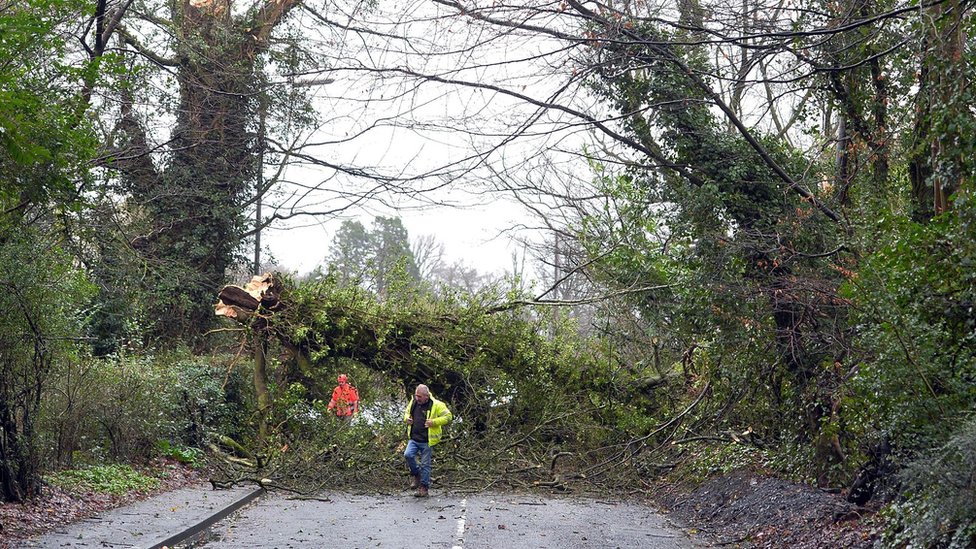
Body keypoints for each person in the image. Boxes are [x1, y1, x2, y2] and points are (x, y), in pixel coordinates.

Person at [403, 384, 452, 497]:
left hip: (427, 440)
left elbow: (448, 417)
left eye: (419, 396)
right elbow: (406, 413)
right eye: (416, 396)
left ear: (426, 396)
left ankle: (424, 488)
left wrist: (434, 422)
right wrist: (407, 419)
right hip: (414, 438)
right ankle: (416, 474)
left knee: (425, 464)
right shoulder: (413, 402)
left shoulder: (437, 405)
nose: (417, 398)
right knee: (408, 455)